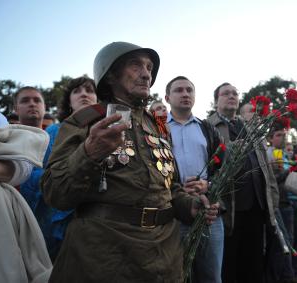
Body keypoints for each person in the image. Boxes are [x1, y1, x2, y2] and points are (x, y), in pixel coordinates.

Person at [41, 41, 219, 282]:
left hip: (164, 257)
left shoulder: (157, 125)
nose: (146, 74)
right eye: (135, 65)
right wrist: (89, 154)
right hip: (105, 257)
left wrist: (190, 205)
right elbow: (56, 193)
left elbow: (170, 186)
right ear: (111, 74)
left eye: (149, 67)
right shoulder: (84, 120)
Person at [0, 55, 51, 282]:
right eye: (25, 100)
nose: (32, 104)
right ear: (16, 108)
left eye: (37, 100)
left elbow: (22, 169)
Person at [207, 83, 279, 283]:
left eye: (235, 93)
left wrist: (272, 198)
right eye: (225, 93)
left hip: (256, 206)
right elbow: (209, 164)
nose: (231, 96)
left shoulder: (250, 127)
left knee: (255, 264)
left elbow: (265, 167)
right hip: (228, 209)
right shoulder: (208, 126)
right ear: (216, 101)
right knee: (230, 266)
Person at [166, 76, 224, 283]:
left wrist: (208, 184)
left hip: (208, 212)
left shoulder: (207, 129)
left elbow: (224, 169)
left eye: (189, 90)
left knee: (211, 276)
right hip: (172, 215)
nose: (185, 94)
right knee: (177, 275)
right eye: (179, 90)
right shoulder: (157, 130)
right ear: (167, 97)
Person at [44, 76, 98, 260]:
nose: (84, 94)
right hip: (60, 220)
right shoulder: (52, 132)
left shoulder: (110, 129)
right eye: (77, 91)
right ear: (69, 101)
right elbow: (45, 176)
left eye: (90, 90)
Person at [267, 123, 297, 283]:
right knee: (288, 241)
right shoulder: (270, 154)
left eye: (283, 135)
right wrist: (288, 171)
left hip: (295, 200)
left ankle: (296, 271)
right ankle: (289, 276)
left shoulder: (284, 154)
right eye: (278, 135)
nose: (282, 137)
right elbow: (274, 181)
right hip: (283, 202)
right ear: (270, 139)